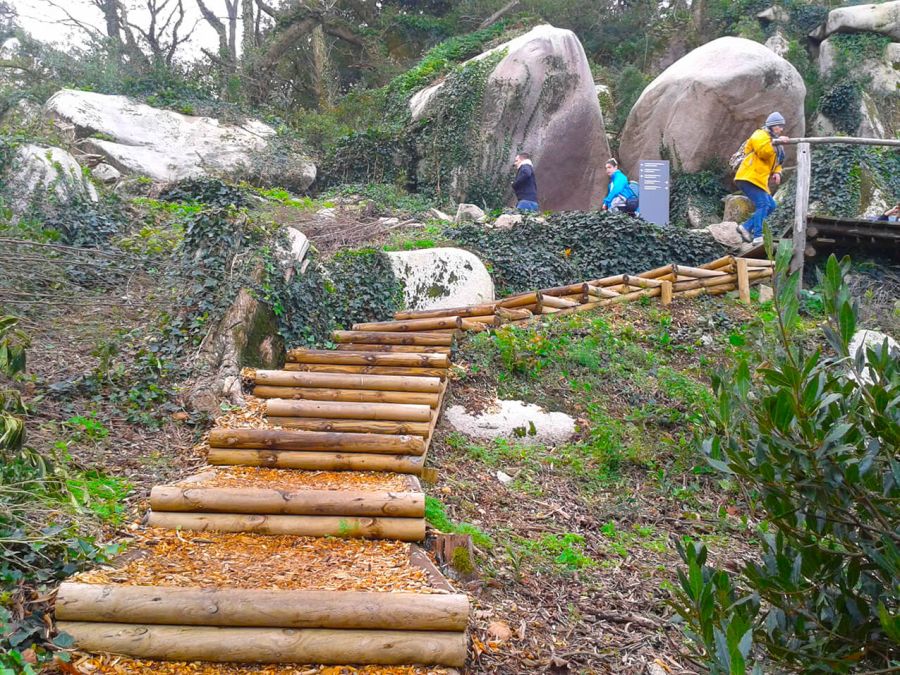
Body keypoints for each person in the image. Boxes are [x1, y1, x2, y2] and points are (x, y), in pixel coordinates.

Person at [734, 112, 790, 245]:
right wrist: (777, 142)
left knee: (771, 205)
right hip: (749, 176)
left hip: (758, 180)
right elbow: (763, 153)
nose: (781, 129)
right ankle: (758, 236)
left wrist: (777, 172)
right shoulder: (760, 135)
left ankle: (746, 227)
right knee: (763, 204)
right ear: (772, 126)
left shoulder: (774, 142)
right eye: (779, 126)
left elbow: (777, 161)